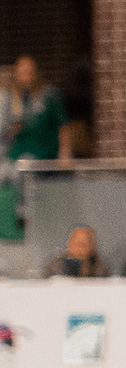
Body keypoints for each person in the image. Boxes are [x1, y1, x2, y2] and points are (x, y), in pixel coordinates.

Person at [3, 55, 66, 241]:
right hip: (17, 153)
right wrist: (13, 129)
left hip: (42, 153)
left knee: (22, 169)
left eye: (29, 71)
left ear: (36, 73)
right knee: (4, 171)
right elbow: (9, 134)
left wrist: (64, 153)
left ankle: (24, 214)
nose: (25, 76)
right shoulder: (14, 99)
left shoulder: (49, 96)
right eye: (21, 72)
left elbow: (64, 125)